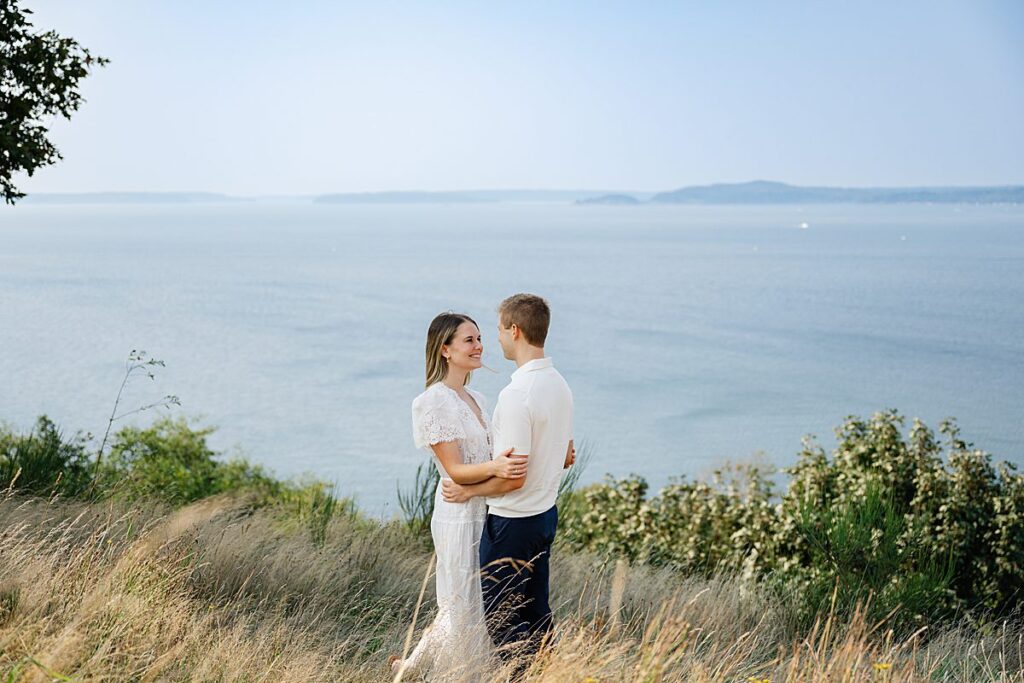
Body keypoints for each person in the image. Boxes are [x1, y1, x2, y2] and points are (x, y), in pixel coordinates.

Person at [442, 293, 575, 670]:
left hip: (512, 525)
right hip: (545, 517)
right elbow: (565, 454)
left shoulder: (518, 395)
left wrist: (468, 489)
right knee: (537, 618)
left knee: (504, 628)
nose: (494, 339)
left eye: (498, 330)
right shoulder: (559, 384)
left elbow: (512, 478)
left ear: (515, 331)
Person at [391, 312, 527, 679]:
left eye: (480, 338)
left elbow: (496, 454)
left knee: (475, 604)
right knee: (461, 604)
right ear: (445, 349)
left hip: (487, 507)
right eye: (469, 340)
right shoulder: (432, 402)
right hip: (457, 512)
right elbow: (454, 471)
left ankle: (411, 668)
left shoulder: (478, 399)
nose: (479, 345)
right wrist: (497, 468)